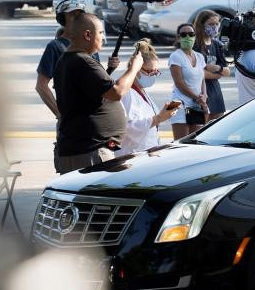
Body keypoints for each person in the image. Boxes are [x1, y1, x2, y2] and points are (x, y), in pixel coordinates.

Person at [52, 13, 142, 173]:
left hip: (85, 149)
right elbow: (116, 92)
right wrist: (133, 69)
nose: (103, 37)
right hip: (89, 152)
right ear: (88, 34)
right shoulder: (82, 61)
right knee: (92, 197)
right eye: (100, 33)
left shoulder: (70, 59)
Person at [117, 40, 180, 154]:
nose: (153, 75)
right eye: (150, 71)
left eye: (156, 72)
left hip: (147, 150)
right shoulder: (127, 93)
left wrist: (164, 115)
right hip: (131, 154)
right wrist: (159, 118)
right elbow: (129, 128)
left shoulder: (141, 90)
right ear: (135, 68)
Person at [168, 22, 208, 139]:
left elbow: (202, 79)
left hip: (196, 104)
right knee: (180, 144)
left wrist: (204, 96)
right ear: (178, 38)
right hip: (177, 104)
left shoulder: (200, 56)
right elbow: (179, 83)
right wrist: (197, 97)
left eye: (191, 34)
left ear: (195, 37)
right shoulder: (175, 56)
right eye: (183, 34)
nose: (188, 37)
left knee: (195, 142)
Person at [194, 9, 230, 122]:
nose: (214, 27)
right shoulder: (196, 45)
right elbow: (197, 72)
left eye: (216, 24)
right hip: (199, 91)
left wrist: (217, 68)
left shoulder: (217, 44)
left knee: (217, 124)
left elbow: (227, 71)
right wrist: (217, 75)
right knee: (201, 127)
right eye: (210, 24)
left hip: (215, 91)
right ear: (201, 25)